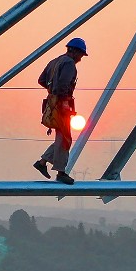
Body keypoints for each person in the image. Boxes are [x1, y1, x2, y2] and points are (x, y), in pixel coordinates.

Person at [33, 37, 87, 185]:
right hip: (61, 104)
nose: (80, 59)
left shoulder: (54, 61)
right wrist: (63, 100)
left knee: (61, 137)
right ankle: (61, 172)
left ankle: (43, 162)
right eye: (81, 55)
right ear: (75, 51)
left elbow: (41, 80)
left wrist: (52, 91)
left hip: (52, 103)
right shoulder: (69, 64)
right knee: (65, 139)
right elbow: (63, 84)